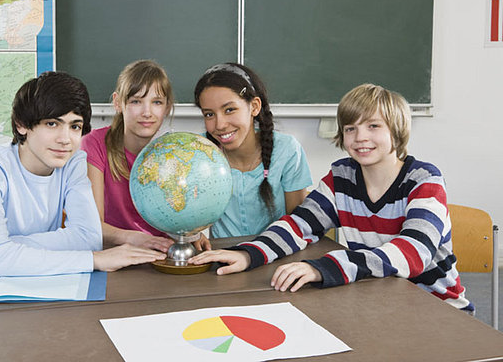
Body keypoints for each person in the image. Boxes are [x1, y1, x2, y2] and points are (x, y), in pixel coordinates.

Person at [190, 83, 474, 313]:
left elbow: (413, 253)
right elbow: (298, 225)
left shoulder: (425, 180)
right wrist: (248, 253)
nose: (360, 137)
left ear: (396, 129)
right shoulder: (341, 178)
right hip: (375, 299)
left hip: (435, 308)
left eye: (373, 126)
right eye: (351, 128)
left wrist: (324, 267)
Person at [0, 71, 166, 275]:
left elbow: (88, 238)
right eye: (52, 124)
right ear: (21, 124)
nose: (65, 139)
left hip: (47, 281)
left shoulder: (73, 162)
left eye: (74, 126)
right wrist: (94, 260)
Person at [80, 60, 210, 252]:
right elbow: (92, 225)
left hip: (158, 254)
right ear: (118, 103)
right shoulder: (94, 144)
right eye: (136, 101)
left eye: (156, 102)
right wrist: (132, 239)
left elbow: (175, 213)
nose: (147, 112)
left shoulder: (172, 152)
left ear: (167, 107)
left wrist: (191, 233)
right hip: (113, 255)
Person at [193, 63, 312, 238]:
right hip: (222, 257)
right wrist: (191, 234)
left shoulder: (286, 150)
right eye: (209, 114)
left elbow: (299, 225)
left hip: (276, 254)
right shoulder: (197, 151)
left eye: (230, 110)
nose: (220, 125)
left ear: (254, 106)